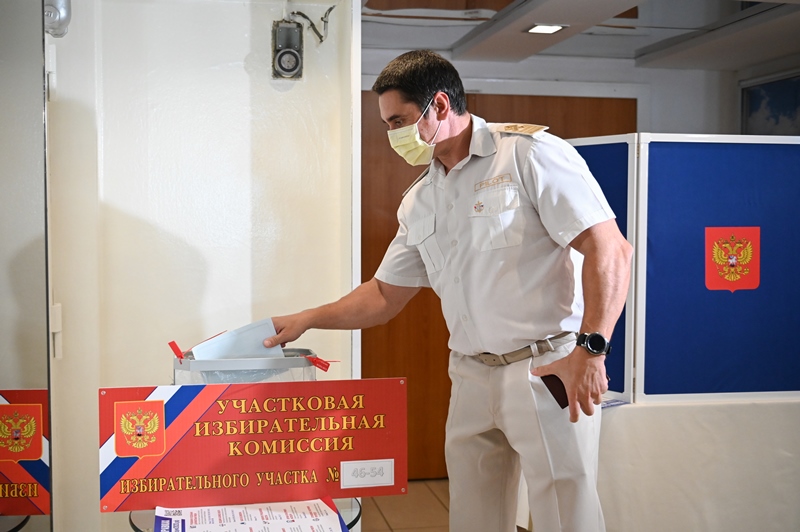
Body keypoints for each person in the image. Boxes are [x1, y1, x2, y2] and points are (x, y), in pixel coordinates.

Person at [264, 50, 632, 532]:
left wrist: (592, 350)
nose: (393, 136)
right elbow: (383, 296)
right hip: (472, 374)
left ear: (439, 105)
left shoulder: (527, 154)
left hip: (546, 367)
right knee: (472, 517)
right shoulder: (420, 199)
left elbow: (610, 249)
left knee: (566, 515)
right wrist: (308, 318)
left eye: (398, 121)